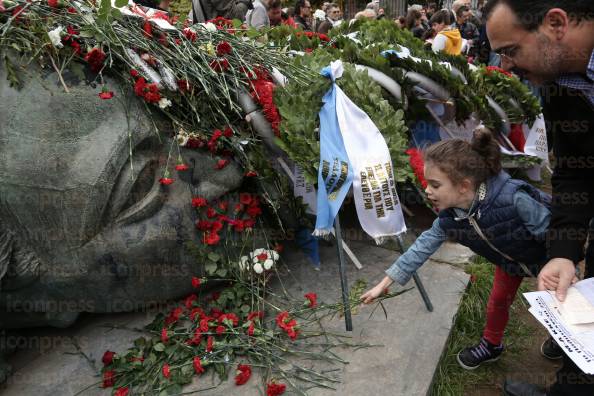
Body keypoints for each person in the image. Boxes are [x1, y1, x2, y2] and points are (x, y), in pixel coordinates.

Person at [361, 130, 552, 370]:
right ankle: (491, 344)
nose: (427, 191)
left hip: (549, 257)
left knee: (560, 301)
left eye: (435, 184)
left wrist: (559, 261)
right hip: (510, 263)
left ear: (463, 186)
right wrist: (384, 283)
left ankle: (562, 339)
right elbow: (421, 247)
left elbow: (550, 231)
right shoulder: (451, 219)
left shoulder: (512, 198)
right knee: (497, 301)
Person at [484, 0, 594, 395]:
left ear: (556, 23)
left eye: (511, 51)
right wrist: (564, 249)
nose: (507, 67)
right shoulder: (557, 83)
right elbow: (574, 170)